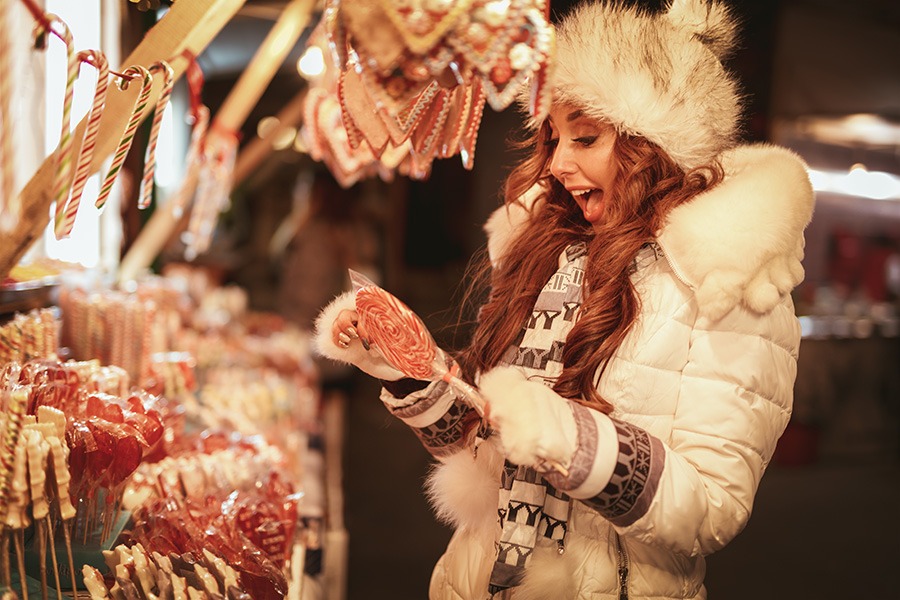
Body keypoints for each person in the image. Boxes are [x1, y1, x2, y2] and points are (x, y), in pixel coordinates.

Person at [315, 0, 815, 597]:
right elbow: (482, 444)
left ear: (654, 144)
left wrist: (568, 438)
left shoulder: (726, 279)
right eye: (553, 137)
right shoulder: (545, 252)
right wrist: (408, 369)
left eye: (585, 137)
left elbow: (712, 507)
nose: (557, 163)